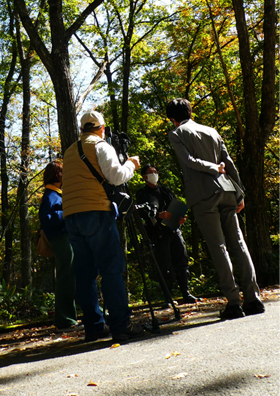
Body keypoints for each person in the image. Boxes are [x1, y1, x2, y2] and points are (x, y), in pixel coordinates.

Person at [166, 98, 264, 320]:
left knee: (218, 245)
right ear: (190, 112)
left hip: (203, 195)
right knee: (238, 242)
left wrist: (213, 169)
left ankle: (234, 302)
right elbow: (228, 162)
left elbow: (188, 161)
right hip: (227, 191)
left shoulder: (177, 134)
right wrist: (239, 193)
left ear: (172, 119)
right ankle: (253, 298)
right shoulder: (211, 130)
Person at [62, 110, 144, 344]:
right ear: (102, 128)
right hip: (96, 211)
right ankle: (121, 325)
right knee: (111, 268)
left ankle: (94, 327)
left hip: (72, 215)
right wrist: (130, 164)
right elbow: (117, 176)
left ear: (82, 129)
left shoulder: (69, 151)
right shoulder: (100, 146)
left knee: (85, 273)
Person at [135, 163, 200, 307]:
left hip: (173, 229)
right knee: (163, 265)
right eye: (151, 172)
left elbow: (175, 205)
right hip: (158, 233)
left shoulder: (165, 190)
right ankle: (167, 297)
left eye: (155, 171)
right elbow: (141, 213)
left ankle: (186, 293)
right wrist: (158, 215)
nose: (154, 174)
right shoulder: (142, 194)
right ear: (144, 176)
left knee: (182, 260)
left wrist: (180, 218)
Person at [39, 160, 78, 332]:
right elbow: (47, 220)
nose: (65, 175)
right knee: (65, 276)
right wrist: (66, 211)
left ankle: (75, 314)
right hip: (60, 239)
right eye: (62, 172)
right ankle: (65, 319)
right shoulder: (50, 195)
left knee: (74, 275)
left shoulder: (58, 194)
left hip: (67, 237)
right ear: (56, 175)